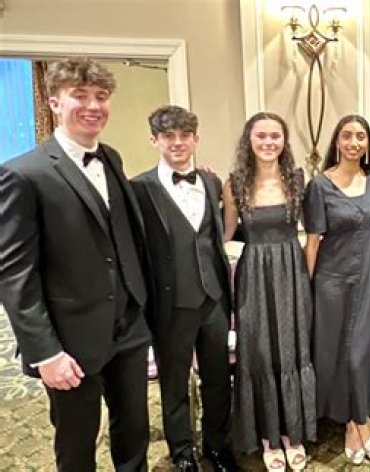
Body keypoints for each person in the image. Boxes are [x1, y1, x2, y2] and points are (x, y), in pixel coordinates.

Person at [0, 57, 151, 471]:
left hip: (129, 329)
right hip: (71, 339)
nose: (93, 106)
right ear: (53, 102)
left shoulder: (112, 158)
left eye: (101, 96)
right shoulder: (22, 174)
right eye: (79, 96)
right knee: (77, 444)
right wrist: (45, 352)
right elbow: (14, 274)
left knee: (134, 433)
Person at [131, 106, 235, 472]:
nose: (177, 143)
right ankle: (183, 453)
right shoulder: (139, 188)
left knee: (218, 380)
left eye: (184, 136)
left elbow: (214, 235)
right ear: (154, 140)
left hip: (214, 299)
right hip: (170, 303)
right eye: (168, 136)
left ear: (195, 139)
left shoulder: (210, 181)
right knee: (174, 384)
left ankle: (217, 446)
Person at [222, 112, 316, 471]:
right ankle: (267, 436)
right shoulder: (234, 184)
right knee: (259, 352)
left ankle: (293, 431)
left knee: (292, 350)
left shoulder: (297, 180)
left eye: (275, 136)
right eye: (260, 135)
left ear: (284, 140)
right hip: (254, 275)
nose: (268, 142)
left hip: (291, 272)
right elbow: (225, 234)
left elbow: (315, 231)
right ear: (249, 140)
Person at [304, 115, 370, 466]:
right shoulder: (320, 185)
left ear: (367, 143)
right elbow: (312, 242)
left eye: (360, 136)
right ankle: (354, 422)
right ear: (337, 141)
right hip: (332, 282)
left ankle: (361, 414)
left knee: (363, 352)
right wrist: (306, 290)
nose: (354, 142)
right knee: (340, 353)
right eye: (347, 135)